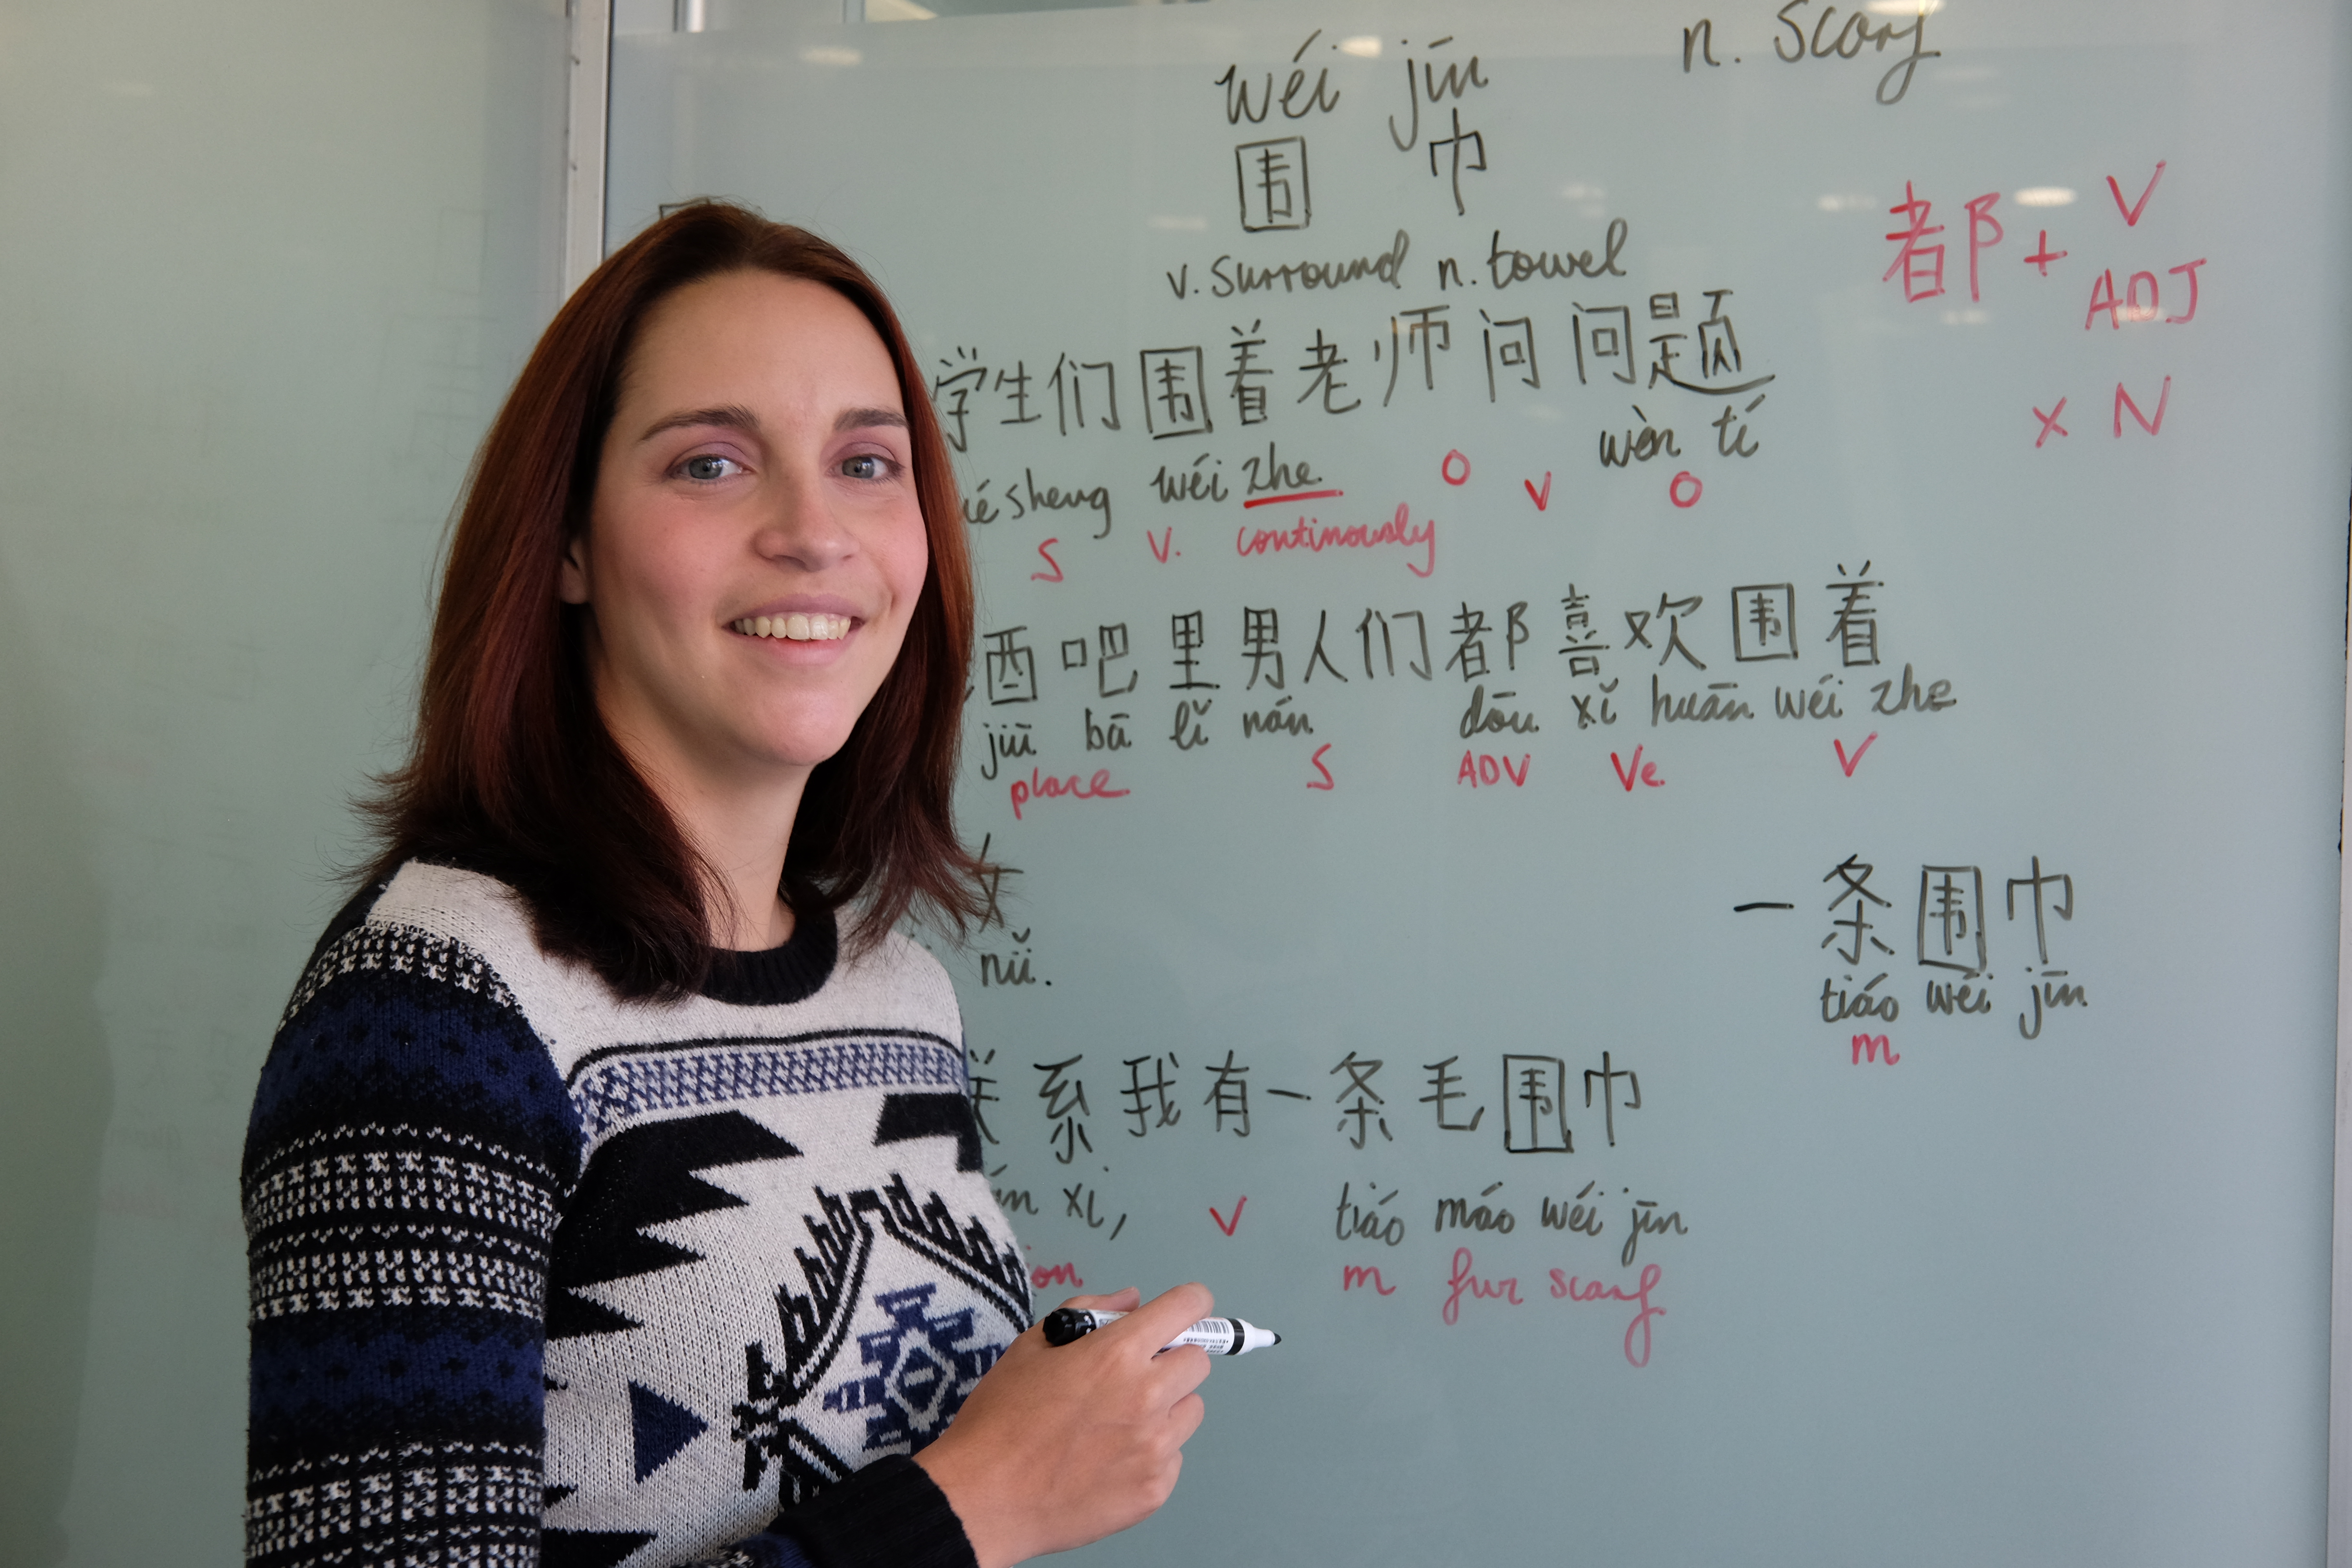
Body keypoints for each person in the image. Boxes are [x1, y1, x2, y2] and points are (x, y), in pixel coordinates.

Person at [241, 202, 1213, 1568]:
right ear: (567, 545)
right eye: (711, 463)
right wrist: (971, 1503)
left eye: (869, 463)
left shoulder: (897, 991)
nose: (815, 533)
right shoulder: (437, 1013)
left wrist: (1031, 1421)